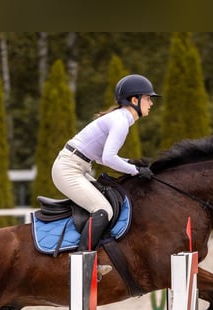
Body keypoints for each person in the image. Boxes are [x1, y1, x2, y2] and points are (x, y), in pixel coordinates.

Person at [52, 73, 159, 252]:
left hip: (78, 166)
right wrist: (136, 171)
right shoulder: (120, 121)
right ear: (134, 99)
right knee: (103, 210)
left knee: (110, 202)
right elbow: (109, 158)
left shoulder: (120, 118)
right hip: (69, 169)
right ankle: (83, 261)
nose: (151, 103)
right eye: (148, 98)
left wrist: (132, 164)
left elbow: (102, 157)